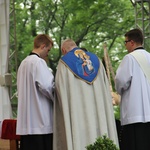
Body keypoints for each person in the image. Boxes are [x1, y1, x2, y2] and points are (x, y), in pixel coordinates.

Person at [53, 39, 119, 150]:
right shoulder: (96, 60)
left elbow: (60, 90)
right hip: (98, 116)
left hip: (77, 117)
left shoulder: (64, 63)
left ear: (64, 50)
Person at [16, 34, 55, 150]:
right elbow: (47, 86)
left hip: (27, 124)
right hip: (41, 122)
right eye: (48, 50)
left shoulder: (23, 64)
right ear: (43, 46)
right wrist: (56, 97)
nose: (48, 53)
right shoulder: (38, 62)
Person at [115, 28, 150, 150]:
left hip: (135, 114)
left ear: (132, 42)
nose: (125, 46)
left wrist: (118, 91)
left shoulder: (129, 58)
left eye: (125, 42)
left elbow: (120, 81)